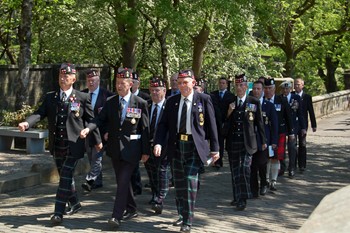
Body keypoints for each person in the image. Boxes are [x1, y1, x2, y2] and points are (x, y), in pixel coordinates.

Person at [18, 63, 102, 225]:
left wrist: (96, 140)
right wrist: (27, 123)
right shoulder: (51, 97)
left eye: (66, 76)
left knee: (64, 177)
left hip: (74, 144)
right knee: (66, 176)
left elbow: (91, 121)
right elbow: (39, 113)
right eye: (60, 76)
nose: (62, 79)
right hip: (57, 144)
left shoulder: (82, 98)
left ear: (73, 79)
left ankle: (58, 213)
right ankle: (75, 204)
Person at [80, 68, 150, 229]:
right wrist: (88, 129)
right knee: (122, 181)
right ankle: (132, 208)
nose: (119, 86)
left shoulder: (140, 103)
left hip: (132, 150)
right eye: (117, 83)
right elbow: (99, 119)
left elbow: (145, 129)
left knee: (123, 181)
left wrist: (146, 151)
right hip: (115, 149)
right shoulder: (111, 102)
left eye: (123, 83)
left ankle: (116, 216)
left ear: (130, 84)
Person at [153, 69, 220, 232]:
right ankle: (182, 214)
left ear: (193, 83)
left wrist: (215, 149)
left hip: (194, 147)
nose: (182, 86)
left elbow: (212, 125)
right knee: (180, 184)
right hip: (176, 146)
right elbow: (163, 125)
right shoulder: (172, 101)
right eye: (180, 83)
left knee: (190, 181)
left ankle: (188, 222)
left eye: (186, 82)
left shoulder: (203, 99)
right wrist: (158, 143)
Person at [224, 74, 266, 210]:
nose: (239, 88)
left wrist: (263, 140)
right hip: (233, 142)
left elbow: (259, 123)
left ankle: (243, 198)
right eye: (237, 85)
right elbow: (223, 124)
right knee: (235, 171)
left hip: (248, 142)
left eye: (241, 85)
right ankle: (237, 197)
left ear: (246, 86)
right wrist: (229, 112)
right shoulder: (230, 102)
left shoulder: (253, 101)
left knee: (245, 169)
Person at [81, 69, 114, 192]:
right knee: (91, 157)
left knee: (97, 156)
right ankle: (98, 181)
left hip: (101, 133)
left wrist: (109, 131)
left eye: (93, 80)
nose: (91, 83)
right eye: (89, 81)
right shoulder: (82, 94)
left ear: (98, 81)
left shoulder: (108, 96)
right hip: (87, 132)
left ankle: (90, 180)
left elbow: (112, 117)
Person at [145, 76, 170, 215]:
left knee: (162, 171)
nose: (154, 93)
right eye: (152, 90)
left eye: (157, 90)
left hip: (165, 145)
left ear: (164, 91)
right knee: (152, 172)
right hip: (148, 146)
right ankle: (155, 194)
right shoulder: (146, 105)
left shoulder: (169, 106)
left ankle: (160, 199)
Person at [263, 77, 293, 190]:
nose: (267, 91)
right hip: (265, 134)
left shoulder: (282, 100)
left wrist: (291, 133)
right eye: (265, 88)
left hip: (279, 133)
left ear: (274, 89)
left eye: (270, 88)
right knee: (266, 158)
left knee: (275, 157)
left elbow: (288, 117)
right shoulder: (261, 101)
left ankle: (273, 181)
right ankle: (265, 179)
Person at [251, 80, 278, 197]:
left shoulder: (269, 106)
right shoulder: (249, 104)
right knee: (252, 166)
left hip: (264, 141)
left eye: (259, 89)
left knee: (262, 164)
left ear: (262, 91)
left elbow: (274, 125)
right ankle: (253, 190)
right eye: (255, 89)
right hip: (251, 140)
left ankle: (263, 184)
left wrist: (274, 142)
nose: (256, 91)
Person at [130, 71, 151, 195]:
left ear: (138, 84)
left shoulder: (145, 98)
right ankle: (132, 186)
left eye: (134, 83)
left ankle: (137, 186)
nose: (132, 85)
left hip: (139, 134)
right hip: (127, 135)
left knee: (136, 164)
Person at [280, 81, 306, 178]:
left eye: (287, 89)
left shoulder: (296, 98)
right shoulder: (279, 98)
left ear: (291, 89)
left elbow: (300, 113)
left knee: (292, 147)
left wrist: (303, 127)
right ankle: (282, 167)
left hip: (293, 126)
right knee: (281, 148)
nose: (285, 91)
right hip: (283, 126)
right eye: (284, 89)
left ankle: (292, 168)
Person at [293, 78, 317, 172]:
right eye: (295, 84)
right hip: (294, 123)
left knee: (302, 144)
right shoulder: (292, 95)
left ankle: (302, 165)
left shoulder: (307, 97)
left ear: (302, 85)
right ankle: (293, 165)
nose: (296, 86)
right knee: (293, 144)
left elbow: (311, 111)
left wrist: (314, 125)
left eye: (298, 84)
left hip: (303, 124)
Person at [210, 77, 235, 168]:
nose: (221, 84)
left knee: (223, 143)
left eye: (223, 83)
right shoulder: (213, 94)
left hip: (225, 122)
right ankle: (216, 160)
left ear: (227, 85)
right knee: (216, 141)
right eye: (220, 83)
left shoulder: (231, 96)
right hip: (215, 121)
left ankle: (221, 161)